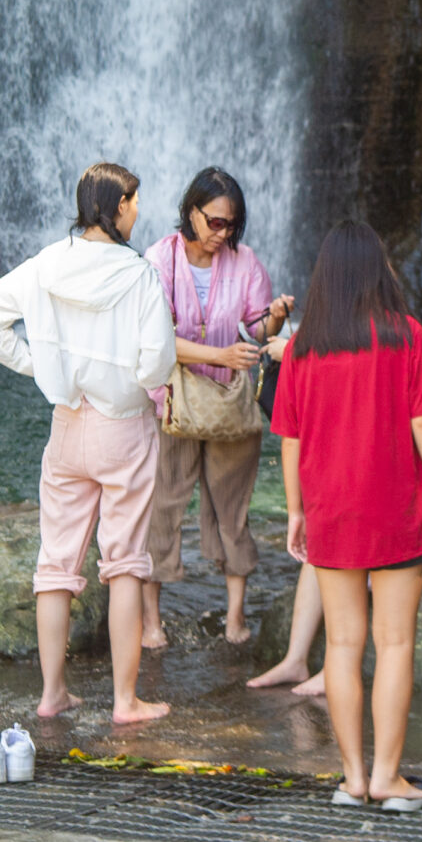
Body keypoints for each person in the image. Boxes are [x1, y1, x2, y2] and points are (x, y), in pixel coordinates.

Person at [0, 161, 176, 724]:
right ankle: (126, 701)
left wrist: (39, 364)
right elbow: (158, 363)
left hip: (66, 423)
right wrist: (135, 378)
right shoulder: (140, 275)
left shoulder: (45, 264)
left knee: (56, 564)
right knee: (126, 562)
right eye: (133, 201)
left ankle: (52, 693)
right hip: (125, 427)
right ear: (116, 207)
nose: (138, 211)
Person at [269, 219, 422, 809]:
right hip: (394, 507)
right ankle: (389, 778)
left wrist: (295, 510)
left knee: (342, 645)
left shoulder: (304, 345)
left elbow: (290, 438)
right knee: (395, 644)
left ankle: (352, 779)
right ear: (379, 270)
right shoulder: (406, 336)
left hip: (330, 507)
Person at [141, 166, 293, 648]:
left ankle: (235, 618)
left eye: (231, 224)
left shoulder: (246, 263)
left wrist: (274, 319)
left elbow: (256, 332)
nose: (221, 233)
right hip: (171, 404)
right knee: (161, 505)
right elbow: (155, 339)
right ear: (191, 212)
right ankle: (151, 622)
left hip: (229, 406)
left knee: (233, 509)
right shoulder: (158, 260)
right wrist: (219, 356)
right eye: (214, 222)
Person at [249, 404, 422, 695]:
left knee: (350, 554)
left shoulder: (412, 397)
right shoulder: (388, 386)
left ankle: (334, 670)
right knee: (321, 550)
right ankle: (296, 659)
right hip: (394, 520)